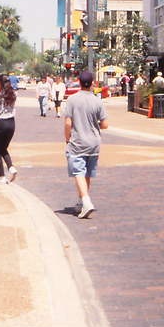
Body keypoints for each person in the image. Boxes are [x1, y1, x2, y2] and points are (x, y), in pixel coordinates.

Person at [62, 70, 108, 219]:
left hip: (78, 141)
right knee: (86, 173)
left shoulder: (72, 100)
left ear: (79, 83)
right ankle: (82, 200)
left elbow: (68, 123)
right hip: (94, 142)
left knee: (78, 172)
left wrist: (67, 138)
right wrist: (93, 126)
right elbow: (105, 124)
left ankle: (87, 202)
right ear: (93, 84)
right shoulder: (98, 101)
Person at [0, 75, 18, 183]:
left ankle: (2, 176)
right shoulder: (13, 94)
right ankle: (11, 167)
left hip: (1, 123)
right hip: (11, 123)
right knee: (3, 148)